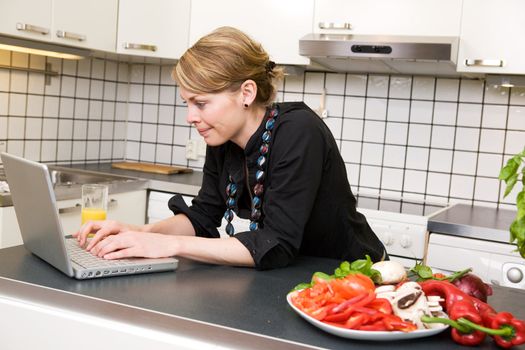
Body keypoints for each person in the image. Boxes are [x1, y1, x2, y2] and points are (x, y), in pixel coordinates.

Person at [74, 27, 387, 270]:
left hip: (350, 274)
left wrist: (166, 245)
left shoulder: (299, 131)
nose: (190, 117)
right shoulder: (222, 136)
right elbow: (203, 216)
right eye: (187, 103)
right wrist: (136, 232)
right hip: (290, 277)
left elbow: (275, 242)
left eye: (201, 103)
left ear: (246, 92)